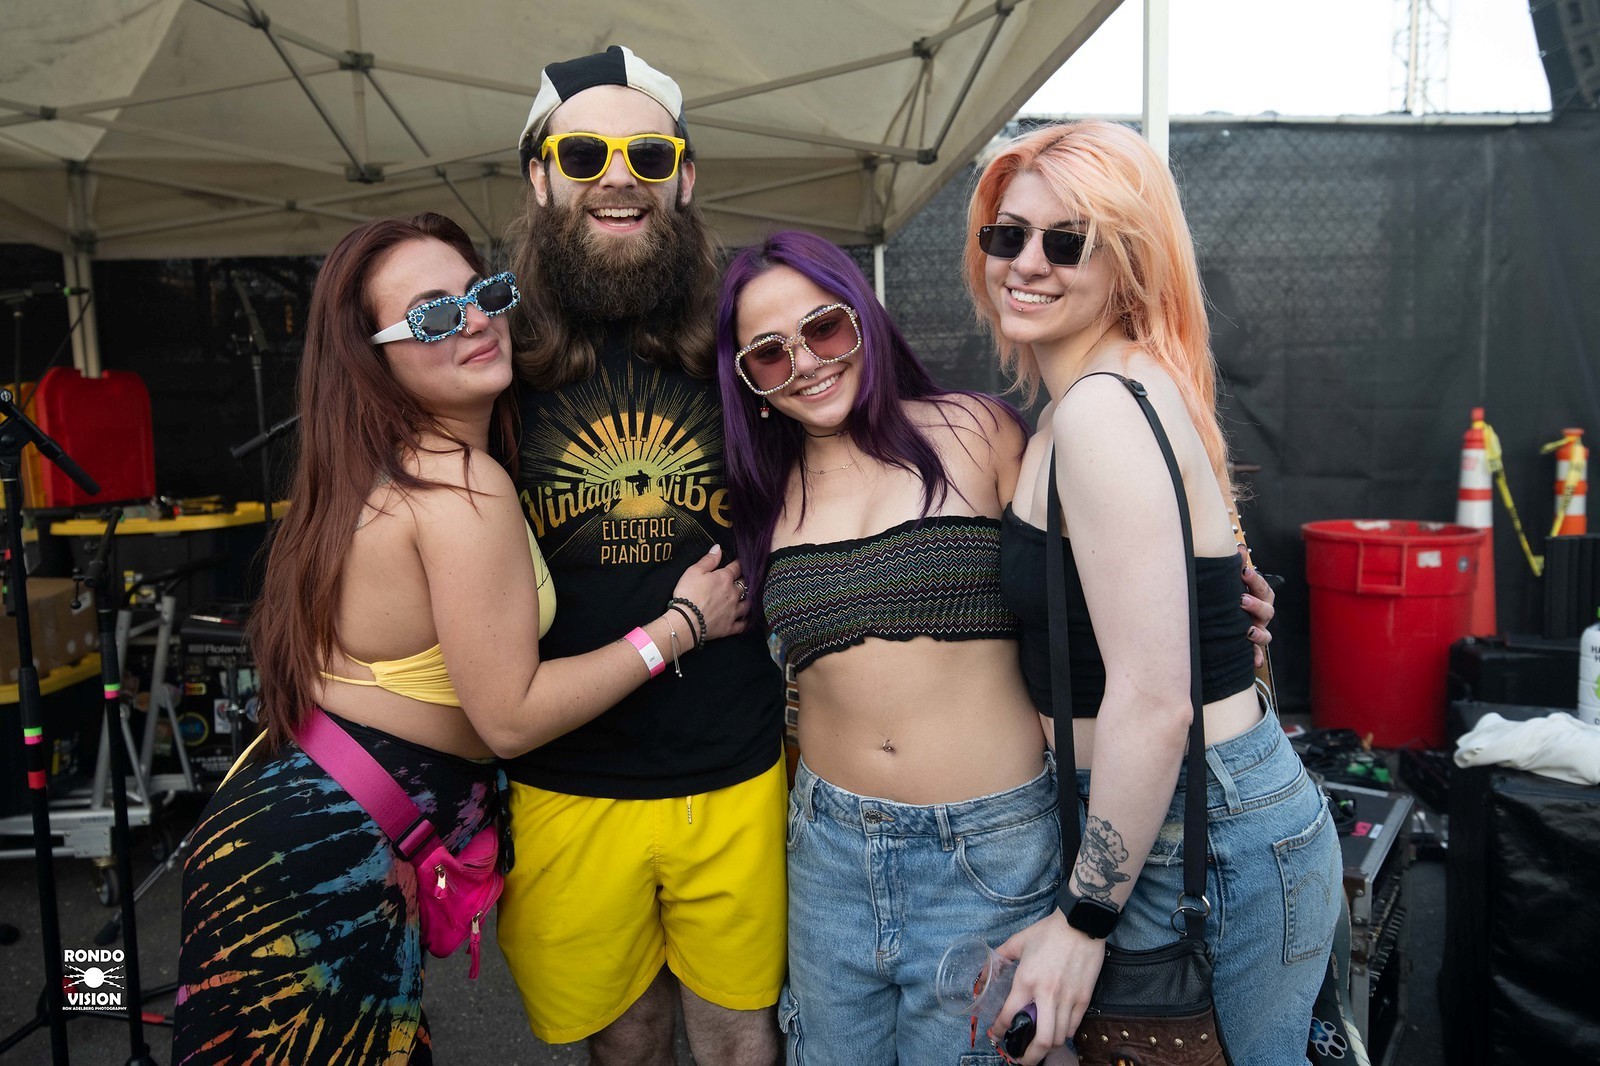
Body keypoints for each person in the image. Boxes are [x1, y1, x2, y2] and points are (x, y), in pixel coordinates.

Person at [172, 212, 744, 1064]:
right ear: (371, 356)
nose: (476, 319)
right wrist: (680, 626)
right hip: (319, 860)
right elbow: (510, 718)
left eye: (484, 293)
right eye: (434, 315)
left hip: (295, 839)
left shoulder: (383, 468)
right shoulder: (457, 485)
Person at [714, 231, 1278, 1066]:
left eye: (824, 328)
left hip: (989, 849)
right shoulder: (762, 496)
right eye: (770, 354)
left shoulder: (978, 433)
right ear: (749, 382)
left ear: (864, 320)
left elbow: (1100, 582)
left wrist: (1219, 606)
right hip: (829, 854)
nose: (806, 364)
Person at [966, 121, 1342, 1066]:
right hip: (1166, 815)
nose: (1028, 263)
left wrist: (1084, 919)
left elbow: (1154, 697)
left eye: (1069, 241)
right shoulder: (1089, 400)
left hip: (1195, 829)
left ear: (1128, 264)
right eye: (1008, 234)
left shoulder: (1102, 408)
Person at [496, 46, 788, 1065]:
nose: (616, 176)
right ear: (540, 178)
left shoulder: (746, 339)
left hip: (736, 767)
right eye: (584, 154)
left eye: (647, 155)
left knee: (741, 1040)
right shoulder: (489, 355)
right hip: (566, 780)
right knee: (626, 1043)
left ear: (684, 177)